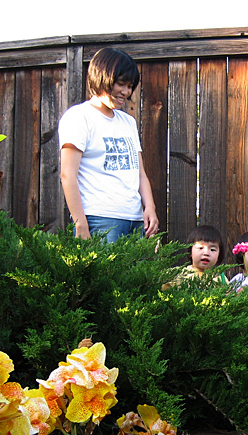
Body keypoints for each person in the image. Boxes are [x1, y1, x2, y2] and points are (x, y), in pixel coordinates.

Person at [58, 47, 159, 242]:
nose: (126, 92)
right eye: (121, 84)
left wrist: (150, 208)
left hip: (136, 221)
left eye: (130, 86)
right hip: (100, 219)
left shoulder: (128, 122)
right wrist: (80, 224)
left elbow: (139, 173)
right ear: (101, 78)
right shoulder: (79, 117)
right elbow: (67, 175)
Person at [162, 225, 226, 290]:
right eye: (200, 248)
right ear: (190, 252)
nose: (206, 253)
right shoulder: (177, 275)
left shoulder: (221, 279)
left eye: (212, 249)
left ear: (219, 255)